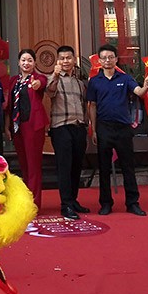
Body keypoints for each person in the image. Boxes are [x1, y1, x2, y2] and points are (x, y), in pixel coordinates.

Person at [86, 44, 148, 216]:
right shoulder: (94, 82)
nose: (108, 60)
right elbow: (92, 106)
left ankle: (132, 203)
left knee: (128, 167)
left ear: (116, 59)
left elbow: (138, 92)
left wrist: (146, 87)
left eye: (111, 57)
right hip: (103, 128)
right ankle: (106, 203)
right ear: (99, 61)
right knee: (104, 168)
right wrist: (94, 130)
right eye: (104, 58)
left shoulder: (125, 78)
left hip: (123, 128)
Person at [47, 45, 90, 220]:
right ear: (58, 61)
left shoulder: (80, 82)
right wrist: (56, 74)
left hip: (79, 127)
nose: (66, 61)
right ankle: (65, 205)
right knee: (64, 167)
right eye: (62, 58)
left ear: (74, 60)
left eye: (68, 58)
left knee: (76, 166)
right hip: (61, 127)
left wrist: (87, 124)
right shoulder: (53, 78)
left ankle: (73, 200)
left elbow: (84, 104)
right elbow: (49, 91)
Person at [6, 48, 48, 209]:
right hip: (17, 127)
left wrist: (37, 84)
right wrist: (7, 126)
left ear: (34, 63)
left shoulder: (38, 78)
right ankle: (25, 199)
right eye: (23, 60)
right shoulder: (14, 81)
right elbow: (9, 106)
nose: (26, 63)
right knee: (23, 164)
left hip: (33, 126)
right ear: (18, 62)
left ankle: (34, 203)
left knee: (33, 165)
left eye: (30, 60)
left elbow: (41, 84)